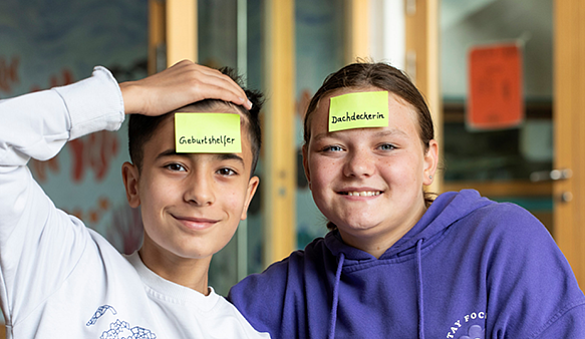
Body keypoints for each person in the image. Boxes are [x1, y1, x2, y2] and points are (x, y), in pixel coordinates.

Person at [228, 62, 585, 338]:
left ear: (428, 161)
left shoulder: (502, 243)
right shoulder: (285, 292)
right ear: (307, 165)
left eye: (386, 146)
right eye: (334, 148)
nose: (359, 167)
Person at [0, 60, 270, 338]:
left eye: (225, 171)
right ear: (133, 183)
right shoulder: (61, 268)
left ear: (248, 196)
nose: (200, 194)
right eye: (176, 166)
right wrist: (133, 94)